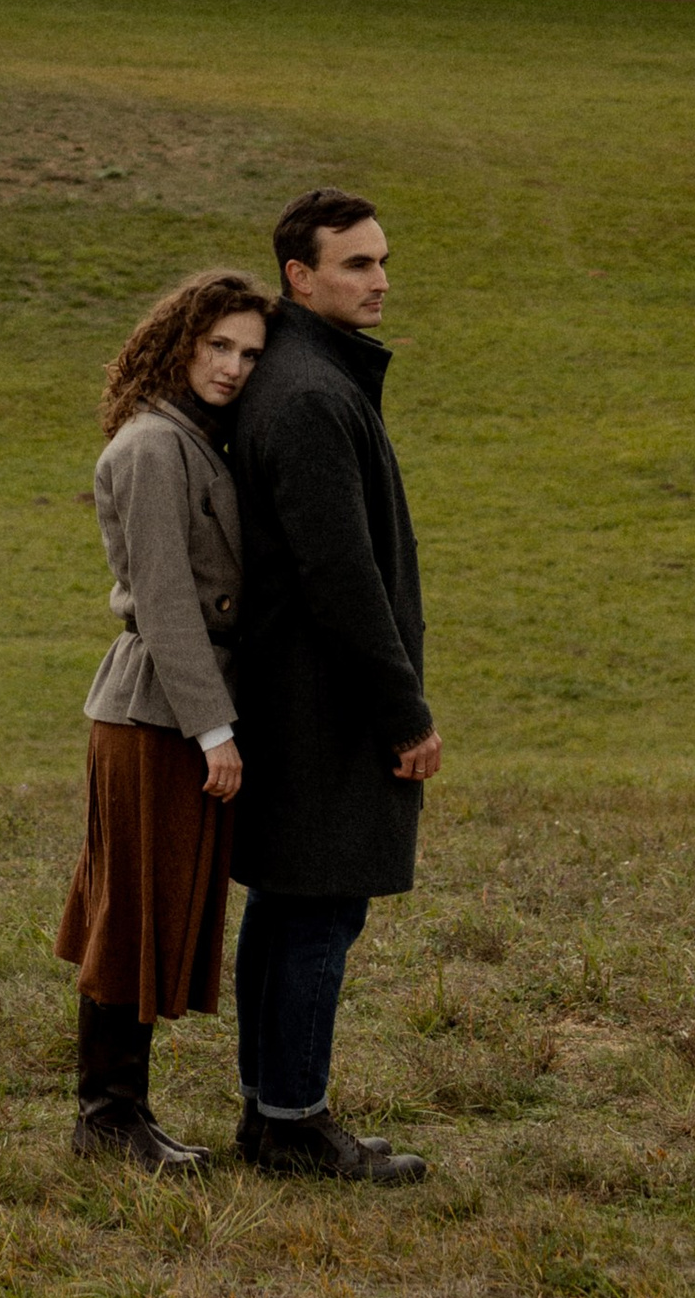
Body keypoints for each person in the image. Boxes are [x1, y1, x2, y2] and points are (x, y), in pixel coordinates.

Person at [226, 186, 441, 1184]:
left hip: (298, 695)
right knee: (317, 909)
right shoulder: (312, 394)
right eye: (356, 264)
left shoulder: (308, 374)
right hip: (321, 704)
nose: (380, 279)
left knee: (288, 902)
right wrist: (402, 711)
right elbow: (340, 575)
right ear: (296, 276)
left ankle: (271, 1116)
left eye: (382, 260)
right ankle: (293, 1125)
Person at [55, 267, 272, 1172]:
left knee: (147, 907)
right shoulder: (153, 445)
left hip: (171, 712)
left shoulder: (199, 440)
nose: (232, 367)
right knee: (130, 911)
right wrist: (213, 730)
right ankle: (107, 1119)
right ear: (179, 341)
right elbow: (165, 600)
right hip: (155, 712)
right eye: (217, 345)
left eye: (250, 354)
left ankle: (120, 1117)